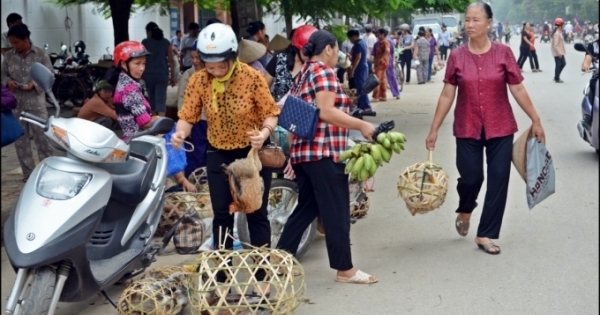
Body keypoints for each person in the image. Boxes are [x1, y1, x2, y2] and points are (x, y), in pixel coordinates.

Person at [425, 2, 546, 255]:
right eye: (467, 19)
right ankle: (466, 208)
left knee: (498, 180)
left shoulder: (503, 53)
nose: (469, 24)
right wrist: (434, 128)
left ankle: (485, 234)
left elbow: (518, 88)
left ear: (489, 23)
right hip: (467, 126)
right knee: (472, 177)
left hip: (500, 126)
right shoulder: (457, 56)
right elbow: (448, 94)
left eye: (476, 20)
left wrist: (535, 119)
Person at [172, 23, 280, 294]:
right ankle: (222, 281)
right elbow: (187, 115)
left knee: (256, 214)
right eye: (209, 64)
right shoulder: (199, 80)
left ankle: (262, 279)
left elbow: (270, 112)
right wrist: (180, 134)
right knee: (222, 216)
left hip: (251, 153)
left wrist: (264, 132)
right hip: (218, 151)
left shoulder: (251, 77)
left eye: (220, 64)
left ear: (232, 56)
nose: (215, 70)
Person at [276, 30, 378, 284]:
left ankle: (278, 261)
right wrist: (362, 125)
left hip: (304, 154)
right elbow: (326, 112)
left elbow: (291, 119)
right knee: (337, 211)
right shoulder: (323, 71)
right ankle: (345, 270)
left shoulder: (302, 75)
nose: (338, 56)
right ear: (329, 49)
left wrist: (293, 155)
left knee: (306, 209)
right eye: (337, 50)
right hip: (323, 153)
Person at [1, 24, 54, 182]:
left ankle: (49, 171)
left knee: (43, 139)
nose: (14, 46)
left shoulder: (41, 54)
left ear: (26, 39)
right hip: (16, 105)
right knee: (21, 142)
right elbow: (2, 76)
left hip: (36, 104)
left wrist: (35, 84)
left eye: (16, 42)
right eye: (11, 43)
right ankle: (28, 174)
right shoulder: (9, 56)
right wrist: (8, 82)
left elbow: (50, 75)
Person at [106, 41, 158, 141]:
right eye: (137, 63)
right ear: (124, 64)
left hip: (130, 140)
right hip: (140, 142)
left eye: (144, 63)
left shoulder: (123, 85)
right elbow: (146, 124)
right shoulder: (130, 90)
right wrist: (161, 120)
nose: (142, 68)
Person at [176, 40, 208, 175]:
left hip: (210, 121)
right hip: (194, 122)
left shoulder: (212, 73)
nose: (194, 61)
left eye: (197, 57)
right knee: (194, 151)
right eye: (192, 57)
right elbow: (181, 99)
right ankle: (193, 179)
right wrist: (184, 124)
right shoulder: (188, 75)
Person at [265, 25, 318, 103]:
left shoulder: (314, 67)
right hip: (277, 112)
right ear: (297, 48)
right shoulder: (280, 59)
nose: (311, 56)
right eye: (308, 52)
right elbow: (263, 86)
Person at [142, 22, 177, 117]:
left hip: (148, 74)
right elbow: (171, 60)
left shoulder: (145, 42)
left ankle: (153, 125)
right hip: (162, 75)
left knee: (151, 99)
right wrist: (173, 77)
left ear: (149, 32)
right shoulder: (166, 42)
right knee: (161, 99)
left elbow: (142, 59)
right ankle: (162, 124)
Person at [347, 29, 372, 111]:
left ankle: (365, 106)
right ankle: (362, 105)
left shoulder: (358, 45)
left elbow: (358, 58)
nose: (350, 41)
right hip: (363, 66)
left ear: (354, 37)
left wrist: (352, 69)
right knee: (361, 87)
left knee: (361, 87)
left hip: (360, 67)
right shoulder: (362, 43)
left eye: (350, 39)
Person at [371, 28, 390, 102]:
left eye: (379, 34)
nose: (377, 35)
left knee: (377, 79)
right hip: (381, 63)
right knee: (382, 79)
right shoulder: (380, 42)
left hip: (381, 63)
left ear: (382, 34)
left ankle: (376, 96)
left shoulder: (384, 42)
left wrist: (381, 58)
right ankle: (383, 95)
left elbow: (387, 50)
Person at [383, 28, 400, 99]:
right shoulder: (380, 41)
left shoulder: (389, 41)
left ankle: (396, 93)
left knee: (391, 77)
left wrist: (393, 61)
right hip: (382, 62)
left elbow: (392, 52)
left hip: (388, 61)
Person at [581, 38, 598, 106]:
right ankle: (592, 113)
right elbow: (587, 60)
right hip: (597, 77)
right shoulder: (593, 45)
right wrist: (585, 65)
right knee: (594, 86)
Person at [551, 18, 567, 83]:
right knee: (559, 64)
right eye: (563, 24)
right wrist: (559, 53)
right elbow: (555, 45)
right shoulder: (557, 34)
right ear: (561, 25)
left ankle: (556, 76)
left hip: (560, 51)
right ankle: (557, 78)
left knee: (563, 63)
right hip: (558, 52)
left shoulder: (559, 32)